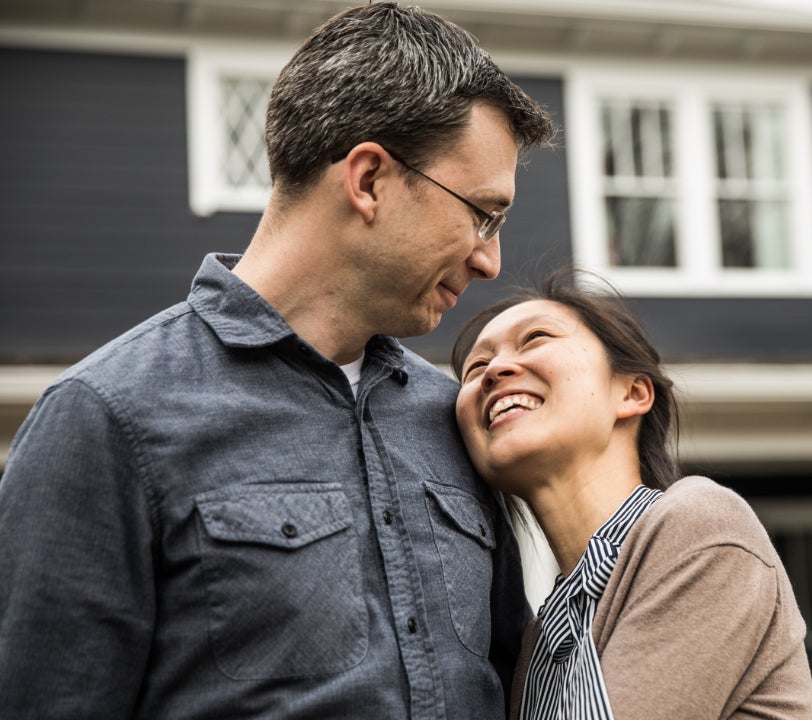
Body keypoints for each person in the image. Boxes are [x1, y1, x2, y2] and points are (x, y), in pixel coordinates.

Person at [0, 4, 555, 718]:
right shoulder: (106, 419)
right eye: (482, 214)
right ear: (369, 180)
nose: (489, 259)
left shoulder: (451, 415)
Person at [450, 270, 812, 720]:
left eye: (535, 339)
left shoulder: (702, 527)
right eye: (474, 367)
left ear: (631, 392)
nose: (494, 371)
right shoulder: (540, 637)